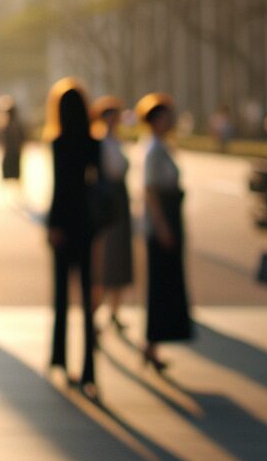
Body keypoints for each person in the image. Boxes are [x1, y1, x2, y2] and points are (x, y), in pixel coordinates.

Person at [44, 78, 100, 397]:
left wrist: (53, 225)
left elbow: (59, 190)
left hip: (62, 227)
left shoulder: (59, 143)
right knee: (87, 299)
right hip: (86, 226)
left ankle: (59, 358)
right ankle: (90, 370)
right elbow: (95, 185)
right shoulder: (94, 143)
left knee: (62, 296)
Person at [138, 92, 191, 370]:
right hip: (162, 222)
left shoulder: (161, 146)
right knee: (160, 287)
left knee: (165, 285)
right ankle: (151, 343)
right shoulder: (153, 149)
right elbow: (149, 191)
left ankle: (153, 344)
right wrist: (161, 226)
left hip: (169, 218)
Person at [89, 96, 132, 334]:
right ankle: (95, 312)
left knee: (121, 260)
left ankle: (115, 310)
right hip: (107, 203)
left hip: (120, 201)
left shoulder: (116, 142)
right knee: (106, 261)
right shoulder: (100, 142)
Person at [0, 94, 25, 182]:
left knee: (11, 180)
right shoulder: (13, 125)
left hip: (12, 155)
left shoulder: (11, 126)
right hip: (13, 155)